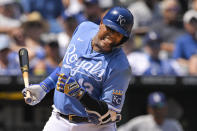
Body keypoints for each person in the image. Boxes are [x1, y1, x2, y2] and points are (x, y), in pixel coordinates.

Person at [22, 6, 133, 131]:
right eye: (109, 29)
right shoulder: (83, 29)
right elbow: (65, 65)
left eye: (118, 34)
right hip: (58, 120)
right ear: (101, 23)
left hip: (94, 127)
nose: (111, 36)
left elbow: (111, 115)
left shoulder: (121, 66)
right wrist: (44, 87)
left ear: (124, 39)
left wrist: (81, 96)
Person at [118, 91, 183, 131]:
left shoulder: (173, 125)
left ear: (165, 107)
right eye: (155, 107)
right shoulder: (140, 122)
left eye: (160, 106)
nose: (158, 110)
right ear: (149, 109)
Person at [173, 10, 197, 75]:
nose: (194, 25)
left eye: (195, 22)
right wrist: (191, 64)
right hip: (187, 72)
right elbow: (177, 59)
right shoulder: (182, 41)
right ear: (185, 24)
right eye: (191, 22)